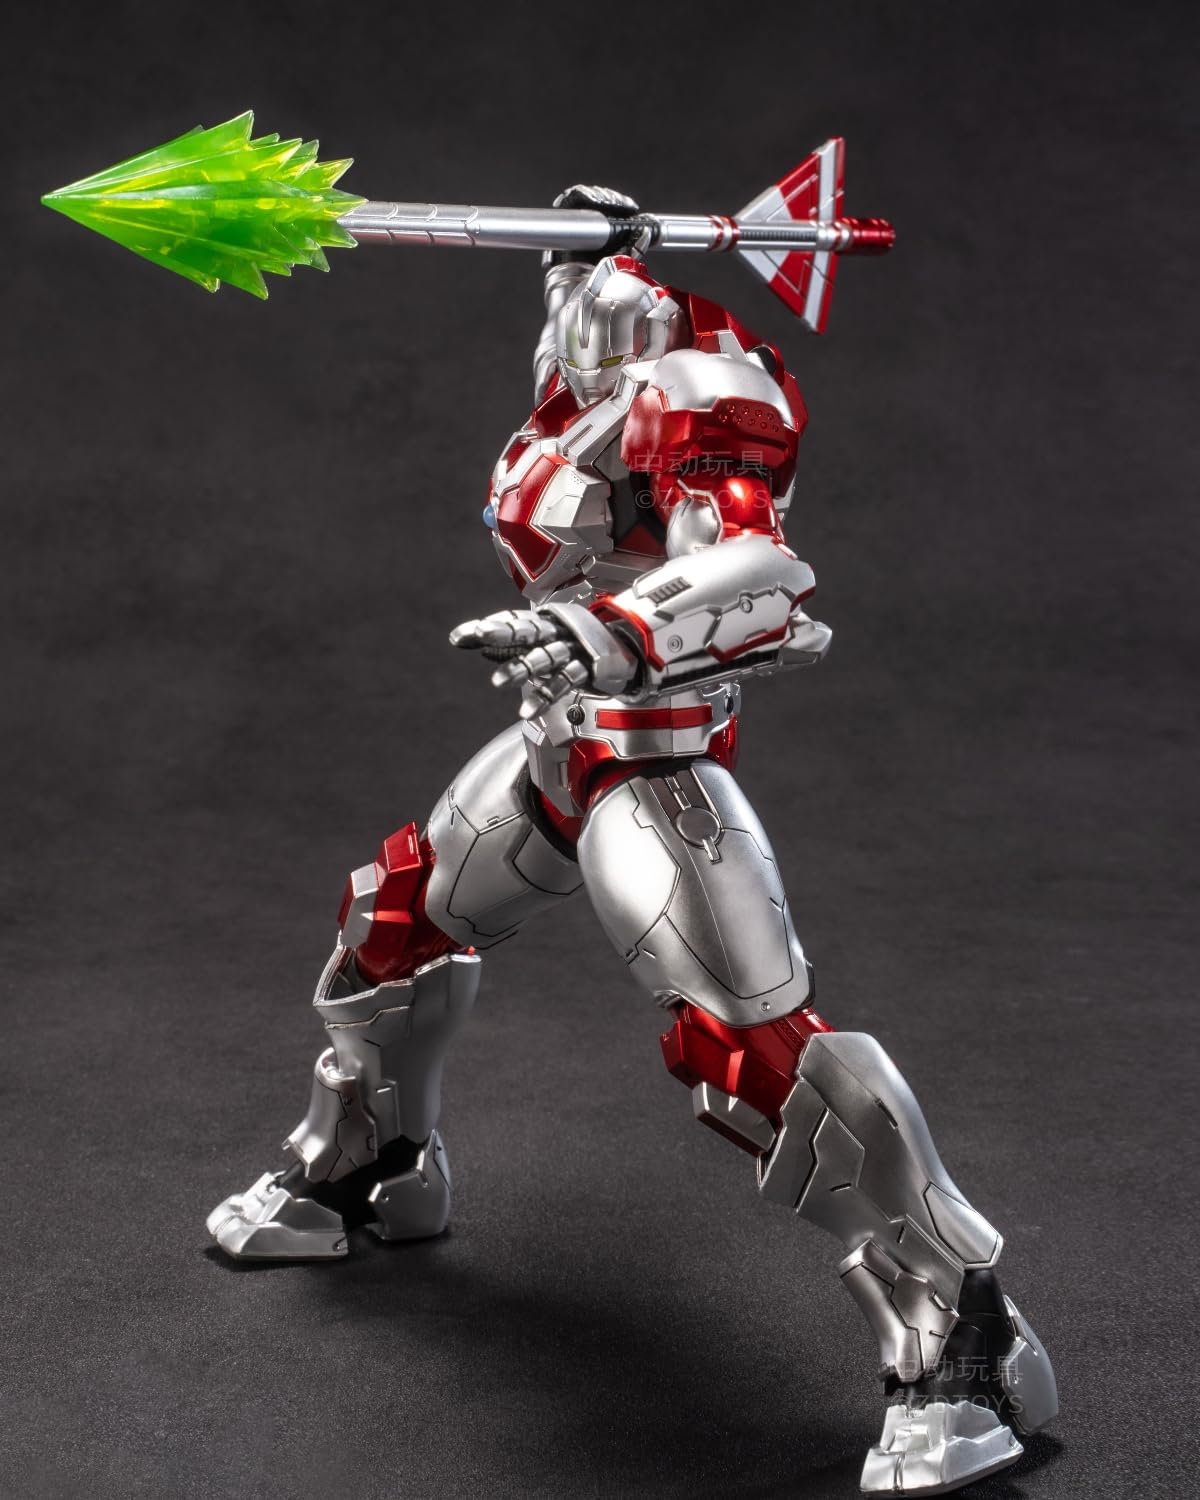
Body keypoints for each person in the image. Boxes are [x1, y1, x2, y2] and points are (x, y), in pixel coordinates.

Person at [207, 185, 1057, 1496]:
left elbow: (762, 577)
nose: (570, 299)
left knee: (745, 1048)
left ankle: (967, 1339)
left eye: (590, 277)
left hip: (652, 761)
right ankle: (375, 1165)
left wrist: (603, 629)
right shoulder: (574, 381)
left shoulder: (707, 389)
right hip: (558, 749)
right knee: (392, 916)